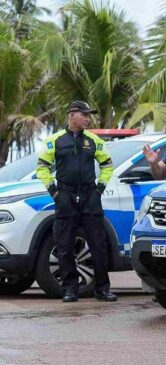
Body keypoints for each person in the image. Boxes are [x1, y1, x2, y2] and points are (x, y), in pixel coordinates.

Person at [35, 101, 117, 303]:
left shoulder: (94, 140)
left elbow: (107, 165)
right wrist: (54, 192)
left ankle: (102, 288)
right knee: (64, 246)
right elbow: (42, 168)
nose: (88, 118)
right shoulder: (54, 141)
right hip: (65, 197)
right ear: (72, 114)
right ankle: (70, 289)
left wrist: (99, 189)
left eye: (90, 115)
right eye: (85, 114)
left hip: (90, 196)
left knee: (98, 244)